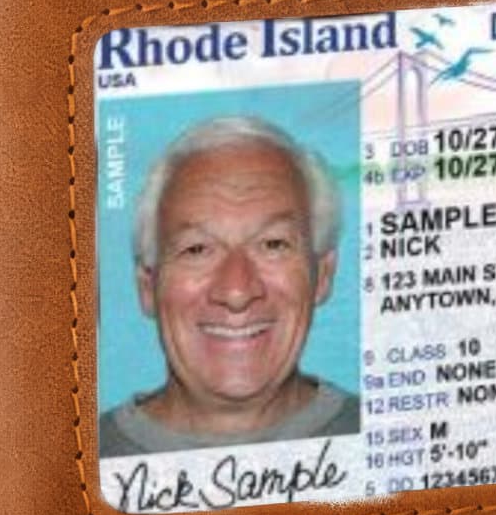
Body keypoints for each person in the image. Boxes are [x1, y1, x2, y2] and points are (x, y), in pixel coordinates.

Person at [98, 113, 361, 456]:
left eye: (273, 244)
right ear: (147, 286)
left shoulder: (397, 439)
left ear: (323, 275)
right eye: (197, 249)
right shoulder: (72, 467)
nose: (237, 291)